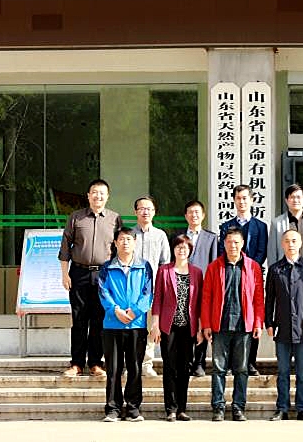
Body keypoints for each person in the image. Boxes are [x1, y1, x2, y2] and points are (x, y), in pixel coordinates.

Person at [59, 179, 122, 377]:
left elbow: (119, 249)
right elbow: (65, 246)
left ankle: (95, 362)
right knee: (79, 318)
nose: (98, 196)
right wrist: (64, 274)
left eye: (102, 193)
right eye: (94, 192)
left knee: (99, 319)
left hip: (104, 274)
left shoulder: (115, 219)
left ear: (107, 196)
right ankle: (76, 363)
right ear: (88, 195)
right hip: (79, 273)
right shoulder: (76, 217)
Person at [200, 226, 264, 422]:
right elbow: (206, 297)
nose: (232, 245)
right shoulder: (214, 267)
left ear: (242, 243)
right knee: (218, 369)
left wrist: (258, 323)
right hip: (220, 325)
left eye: (236, 242)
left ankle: (238, 407)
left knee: (241, 369)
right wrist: (206, 324)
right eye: (229, 242)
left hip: (244, 326)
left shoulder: (253, 267)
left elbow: (258, 298)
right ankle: (218, 407)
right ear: (224, 244)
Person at [97, 227, 153, 422]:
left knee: (135, 368)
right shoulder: (106, 267)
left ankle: (133, 408)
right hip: (112, 325)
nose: (125, 242)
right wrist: (115, 310)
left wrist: (135, 311)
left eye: (129, 239)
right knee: (113, 369)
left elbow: (148, 293)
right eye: (121, 239)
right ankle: (112, 409)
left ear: (135, 242)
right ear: (115, 243)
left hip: (136, 325)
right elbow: (103, 292)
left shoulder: (144, 266)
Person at [268, 184, 303, 376]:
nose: (295, 200)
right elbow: (272, 251)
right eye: (292, 197)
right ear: (286, 200)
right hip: (284, 272)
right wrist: (275, 276)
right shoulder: (277, 222)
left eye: (299, 197)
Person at [264, 229, 303, 421]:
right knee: (283, 372)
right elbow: (269, 299)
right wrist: (269, 322)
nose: (291, 244)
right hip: (282, 327)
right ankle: (282, 408)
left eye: (294, 241)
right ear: (282, 244)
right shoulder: (275, 269)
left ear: (301, 243)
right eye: (287, 241)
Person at [151, 234, 203, 422]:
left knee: (185, 367)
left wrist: (200, 328)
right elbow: (157, 298)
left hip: (188, 327)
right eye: (178, 247)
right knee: (170, 367)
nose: (182, 250)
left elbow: (199, 303)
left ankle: (181, 408)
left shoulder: (197, 272)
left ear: (190, 250)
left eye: (185, 247)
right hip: (168, 326)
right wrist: (155, 324)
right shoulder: (164, 271)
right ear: (173, 250)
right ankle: (171, 409)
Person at [218, 185, 268, 376]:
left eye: (245, 198)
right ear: (234, 200)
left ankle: (250, 362)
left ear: (252, 200)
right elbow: (222, 251)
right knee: (231, 318)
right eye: (238, 198)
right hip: (230, 275)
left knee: (252, 317)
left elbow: (262, 251)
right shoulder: (226, 226)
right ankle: (232, 362)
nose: (242, 202)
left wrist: (248, 267)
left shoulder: (260, 226)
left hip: (252, 276)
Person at [132, 195, 170, 378]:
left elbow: (165, 263)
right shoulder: (129, 235)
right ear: (135, 212)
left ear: (154, 212)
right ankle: (132, 364)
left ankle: (146, 364)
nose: (145, 212)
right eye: (141, 208)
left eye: (149, 209)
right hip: (131, 289)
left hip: (153, 289)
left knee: (150, 327)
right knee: (132, 327)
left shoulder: (160, 235)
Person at [179, 199, 218, 377]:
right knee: (185, 324)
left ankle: (199, 362)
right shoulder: (179, 236)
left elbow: (214, 263)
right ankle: (186, 361)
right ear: (185, 215)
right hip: (182, 285)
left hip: (203, 287)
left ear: (203, 215)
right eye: (190, 212)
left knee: (203, 324)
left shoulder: (211, 238)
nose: (194, 215)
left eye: (197, 212)